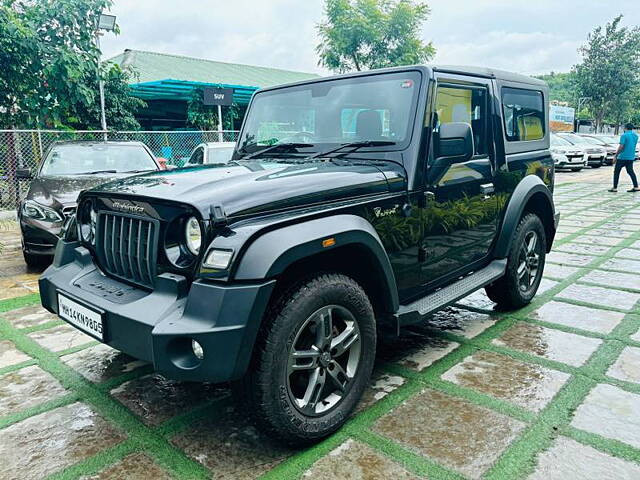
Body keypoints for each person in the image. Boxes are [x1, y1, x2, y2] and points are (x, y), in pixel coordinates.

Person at [609, 123, 639, 193]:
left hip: (622, 157)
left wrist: (616, 156)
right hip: (631, 157)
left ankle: (615, 188)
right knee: (630, 171)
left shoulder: (624, 135)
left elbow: (621, 147)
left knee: (616, 171)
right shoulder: (635, 136)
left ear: (625, 128)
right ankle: (636, 186)